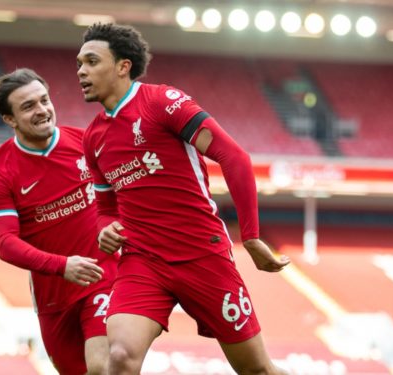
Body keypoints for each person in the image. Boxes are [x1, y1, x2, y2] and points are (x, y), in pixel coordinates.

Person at [76, 23, 291, 375]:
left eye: (91, 61)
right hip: (143, 260)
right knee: (119, 357)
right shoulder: (93, 138)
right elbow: (105, 210)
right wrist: (105, 230)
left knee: (257, 370)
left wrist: (250, 237)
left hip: (201, 254)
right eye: (79, 64)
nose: (82, 71)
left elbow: (234, 157)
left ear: (122, 66)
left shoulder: (162, 102)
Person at [0, 68, 118, 375]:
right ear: (10, 120)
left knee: (102, 367)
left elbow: (126, 194)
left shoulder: (86, 142)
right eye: (28, 106)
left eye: (44, 100)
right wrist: (63, 266)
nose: (42, 110)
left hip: (103, 277)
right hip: (53, 300)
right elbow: (5, 244)